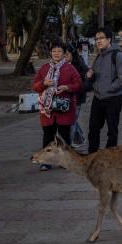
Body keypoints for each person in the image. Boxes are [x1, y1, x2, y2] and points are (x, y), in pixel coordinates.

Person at [33, 42, 82, 170]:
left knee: (65, 137)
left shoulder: (70, 68)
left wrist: (67, 87)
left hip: (64, 109)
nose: (56, 53)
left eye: (59, 51)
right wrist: (43, 83)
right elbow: (35, 86)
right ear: (51, 52)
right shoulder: (44, 68)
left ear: (64, 54)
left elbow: (78, 84)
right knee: (48, 136)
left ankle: (65, 161)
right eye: (54, 51)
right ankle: (46, 162)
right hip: (47, 111)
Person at [85, 26, 122, 154]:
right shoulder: (98, 56)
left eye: (101, 38)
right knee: (93, 128)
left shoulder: (118, 55)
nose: (98, 41)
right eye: (96, 38)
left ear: (109, 39)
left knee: (112, 129)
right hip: (98, 98)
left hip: (113, 98)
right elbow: (94, 76)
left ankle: (110, 156)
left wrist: (110, 89)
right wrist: (90, 76)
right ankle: (92, 155)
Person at [65, 44, 88, 147]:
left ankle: (68, 146)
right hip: (64, 99)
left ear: (72, 54)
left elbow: (84, 82)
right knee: (71, 120)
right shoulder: (60, 65)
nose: (64, 56)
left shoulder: (79, 66)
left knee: (71, 122)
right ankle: (80, 139)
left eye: (66, 54)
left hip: (76, 98)